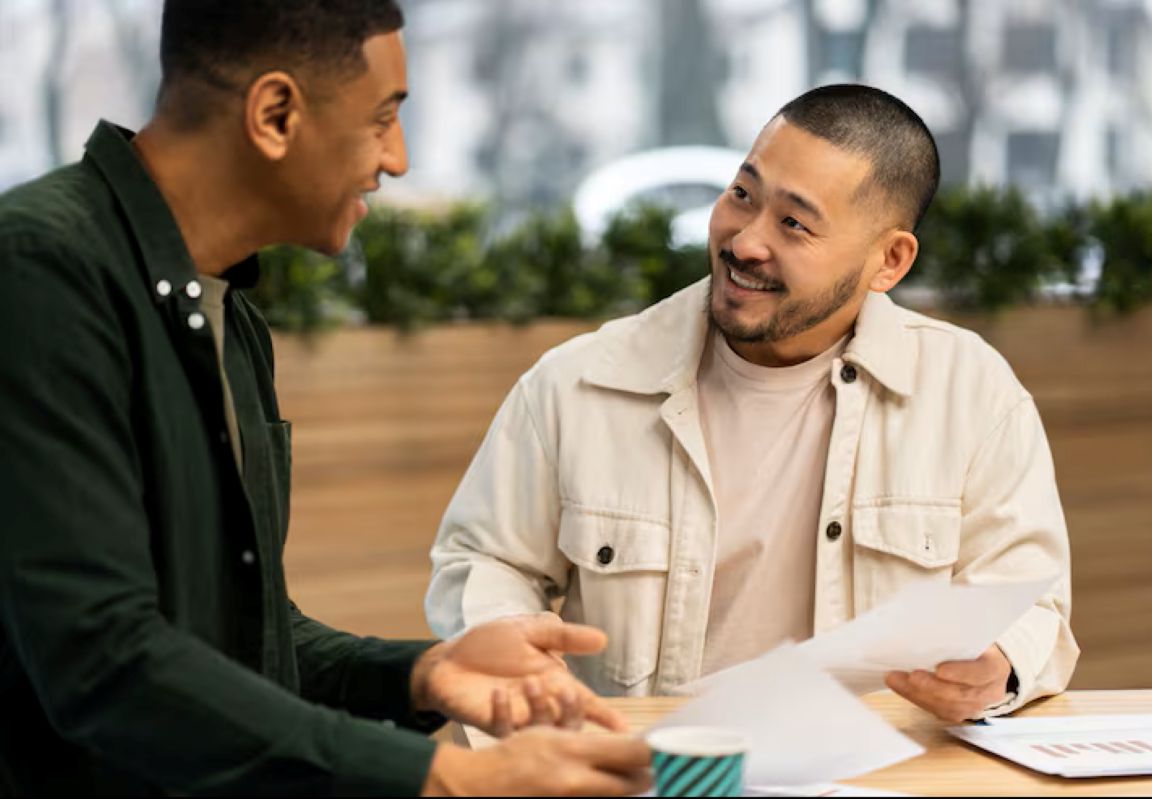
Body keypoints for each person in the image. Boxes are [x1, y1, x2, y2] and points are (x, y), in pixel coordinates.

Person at [0, 1, 652, 795]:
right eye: (383, 119)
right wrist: (451, 777)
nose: (399, 159)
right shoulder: (39, 271)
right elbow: (102, 660)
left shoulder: (228, 313)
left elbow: (244, 644)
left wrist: (421, 673)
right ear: (275, 114)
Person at [426, 84, 1080, 723]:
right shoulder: (576, 384)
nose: (744, 240)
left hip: (874, 777)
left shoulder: (972, 393)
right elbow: (483, 559)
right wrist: (506, 631)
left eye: (794, 223)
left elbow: (1033, 607)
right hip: (650, 770)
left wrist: (997, 663)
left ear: (889, 260)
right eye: (742, 194)